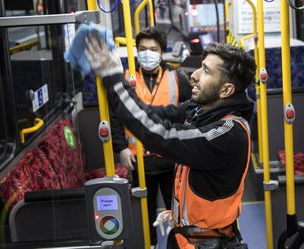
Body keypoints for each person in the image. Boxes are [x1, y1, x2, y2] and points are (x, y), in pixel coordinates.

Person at [86, 36, 255, 249]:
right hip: (186, 236)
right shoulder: (199, 110)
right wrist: (181, 215)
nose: (194, 76)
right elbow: (150, 114)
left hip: (208, 243)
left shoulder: (229, 134)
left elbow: (160, 135)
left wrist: (114, 78)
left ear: (226, 90)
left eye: (206, 71)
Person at [110, 26, 192, 247]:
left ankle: (179, 245)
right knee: (143, 212)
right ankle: (150, 244)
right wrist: (121, 148)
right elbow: (116, 116)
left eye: (153, 49)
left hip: (172, 157)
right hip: (138, 159)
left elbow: (189, 114)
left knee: (176, 208)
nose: (148, 53)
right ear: (137, 51)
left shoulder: (178, 79)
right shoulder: (126, 78)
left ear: (161, 51)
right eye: (143, 49)